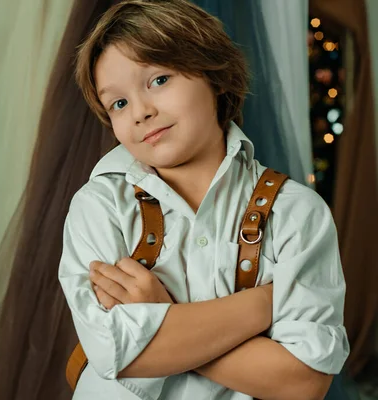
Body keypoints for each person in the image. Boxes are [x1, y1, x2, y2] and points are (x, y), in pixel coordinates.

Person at [57, 1, 350, 399]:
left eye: (159, 79)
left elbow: (303, 383)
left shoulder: (297, 214)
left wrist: (164, 314)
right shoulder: (99, 207)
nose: (140, 112)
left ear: (216, 76)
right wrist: (262, 304)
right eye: (118, 103)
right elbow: (115, 352)